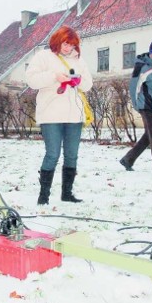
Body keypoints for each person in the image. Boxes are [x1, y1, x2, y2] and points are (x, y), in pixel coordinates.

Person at [26, 25, 93, 205]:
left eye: (71, 45)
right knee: (52, 154)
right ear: (57, 41)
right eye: (65, 43)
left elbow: (88, 84)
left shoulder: (79, 61)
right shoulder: (43, 57)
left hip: (74, 116)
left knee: (72, 155)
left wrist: (77, 81)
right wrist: (55, 76)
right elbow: (31, 80)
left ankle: (67, 193)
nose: (68, 48)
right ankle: (43, 196)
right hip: (51, 115)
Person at [119, 39, 152, 177]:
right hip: (146, 107)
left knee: (148, 137)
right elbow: (133, 87)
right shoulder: (141, 66)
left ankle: (127, 160)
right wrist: (137, 105)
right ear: (151, 52)